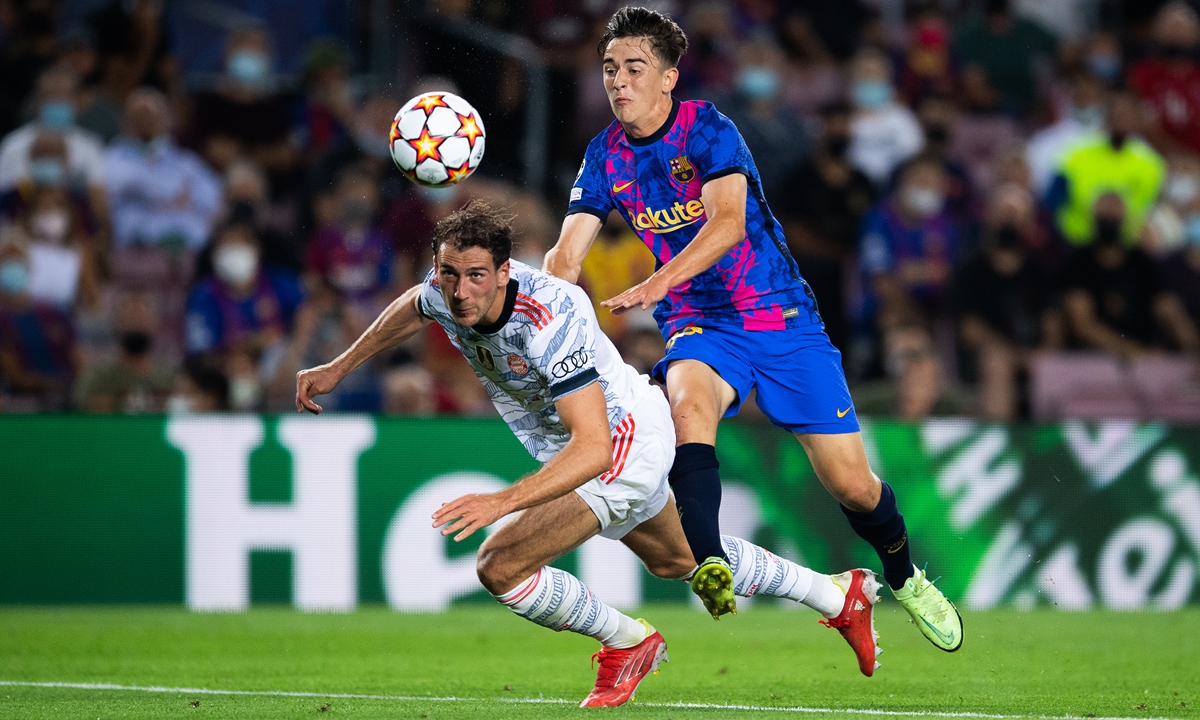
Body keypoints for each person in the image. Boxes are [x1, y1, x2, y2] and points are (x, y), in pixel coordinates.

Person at [295, 201, 885, 706]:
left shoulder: (551, 318)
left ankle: (628, 641)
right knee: (676, 560)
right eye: (448, 274)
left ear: (505, 271)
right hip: (598, 438)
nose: (459, 291)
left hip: (619, 439)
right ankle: (839, 594)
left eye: (476, 276)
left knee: (500, 566)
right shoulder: (445, 291)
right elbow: (413, 305)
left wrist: (503, 501)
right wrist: (337, 367)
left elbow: (594, 448)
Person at [543, 7, 963, 653]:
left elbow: (728, 221)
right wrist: (553, 289)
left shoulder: (705, 127)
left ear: (668, 77)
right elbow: (566, 257)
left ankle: (904, 577)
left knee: (852, 484)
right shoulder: (604, 155)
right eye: (608, 69)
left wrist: (656, 282)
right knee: (688, 402)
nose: (618, 81)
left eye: (634, 68)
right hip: (699, 323)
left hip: (779, 315)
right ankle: (710, 560)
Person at [1047, 91, 1166, 248]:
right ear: (1106, 116)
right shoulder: (1075, 156)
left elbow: (1154, 210)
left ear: (1136, 118)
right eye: (1115, 113)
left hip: (1127, 249)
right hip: (1077, 245)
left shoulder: (1152, 164)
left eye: (1125, 114)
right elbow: (1052, 203)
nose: (1120, 119)